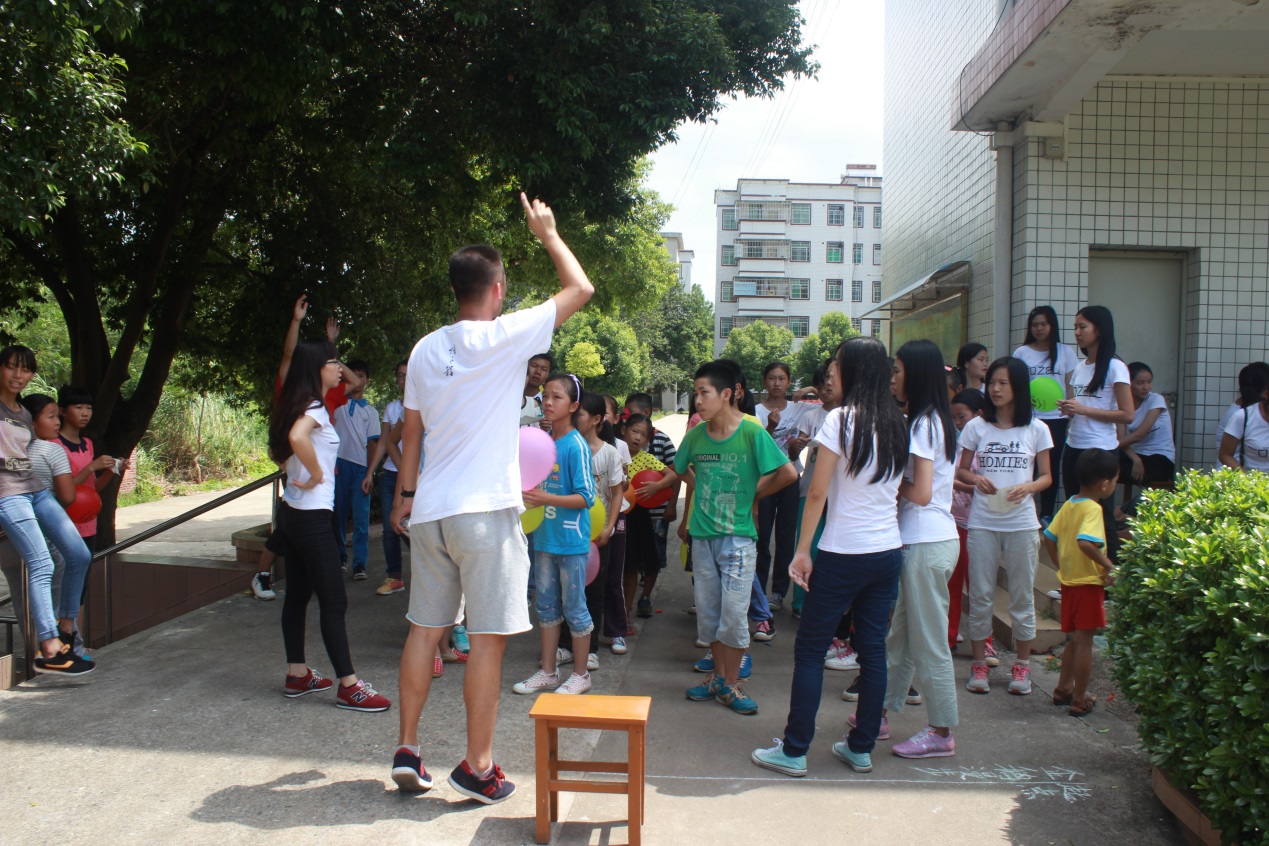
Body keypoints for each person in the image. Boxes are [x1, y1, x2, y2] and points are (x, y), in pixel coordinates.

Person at [388, 193, 593, 803]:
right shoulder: (509, 335)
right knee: (487, 639)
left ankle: (407, 747)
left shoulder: (426, 348)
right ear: (498, 287)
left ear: (456, 289)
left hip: (430, 512)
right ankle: (477, 764)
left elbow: (413, 432)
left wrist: (404, 494)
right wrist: (549, 234)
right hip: (486, 514)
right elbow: (579, 288)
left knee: (424, 631)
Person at [750, 338, 905, 777]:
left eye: (838, 364)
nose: (832, 371)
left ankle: (795, 749)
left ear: (856, 370)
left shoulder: (841, 419)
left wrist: (801, 551)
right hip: (886, 552)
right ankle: (860, 748)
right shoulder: (898, 421)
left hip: (842, 553)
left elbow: (816, 491)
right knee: (872, 650)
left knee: (811, 649)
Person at [268, 339, 389, 712]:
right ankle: (349, 685)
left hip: (293, 511)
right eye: (333, 362)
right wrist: (319, 471)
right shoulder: (316, 409)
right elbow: (296, 439)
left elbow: (286, 445)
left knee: (299, 596)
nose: (339, 368)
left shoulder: (296, 405)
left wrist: (306, 471)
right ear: (316, 368)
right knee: (334, 601)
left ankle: (297, 673)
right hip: (311, 517)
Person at [678, 360, 795, 717]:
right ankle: (718, 679)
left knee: (733, 614)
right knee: (710, 614)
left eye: (704, 393)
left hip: (739, 539)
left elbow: (787, 473)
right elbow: (681, 469)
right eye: (695, 392)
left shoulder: (751, 432)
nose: (697, 400)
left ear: (727, 394)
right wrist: (705, 490)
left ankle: (730, 684)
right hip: (702, 537)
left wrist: (753, 495)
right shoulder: (696, 436)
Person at [879, 340, 961, 759]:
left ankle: (941, 731)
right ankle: (880, 711)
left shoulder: (925, 424)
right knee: (902, 638)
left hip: (926, 541)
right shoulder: (930, 420)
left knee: (929, 642)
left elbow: (923, 492)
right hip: (925, 540)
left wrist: (887, 481)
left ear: (917, 374)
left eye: (897, 370)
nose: (892, 378)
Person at [957, 357, 1053, 696]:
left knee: (1022, 597)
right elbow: (961, 472)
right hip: (982, 522)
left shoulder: (1037, 429)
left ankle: (1022, 667)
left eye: (1003, 383)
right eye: (992, 382)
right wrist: (976, 478)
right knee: (980, 595)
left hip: (1022, 524)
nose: (995, 389)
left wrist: (1029, 487)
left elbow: (1046, 477)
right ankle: (980, 664)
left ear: (1019, 388)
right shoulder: (976, 427)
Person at [0, 346, 94, 674]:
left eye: (24, 370)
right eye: (11, 367)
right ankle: (50, 647)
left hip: (34, 490)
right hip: (7, 494)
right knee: (42, 563)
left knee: (79, 554)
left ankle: (66, 627)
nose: (17, 376)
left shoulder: (22, 413)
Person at [513, 374, 598, 695]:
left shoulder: (575, 445)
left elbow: (587, 497)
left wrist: (545, 498)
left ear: (574, 405)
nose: (548, 402)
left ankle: (580, 675)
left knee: (575, 607)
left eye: (557, 397)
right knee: (546, 606)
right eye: (545, 396)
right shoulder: (543, 441)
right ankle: (548, 672)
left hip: (571, 542)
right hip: (544, 539)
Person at [1042, 448, 1117, 717]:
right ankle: (1079, 697)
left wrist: (1060, 564)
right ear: (1106, 483)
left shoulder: (1070, 503)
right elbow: (1086, 542)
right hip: (1087, 583)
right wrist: (1110, 567)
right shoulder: (1093, 509)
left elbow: (1049, 537)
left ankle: (1064, 689)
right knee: (1085, 641)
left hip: (1070, 582)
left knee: (1076, 639)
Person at [1058, 305, 1132, 563]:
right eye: (1075, 327)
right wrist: (1070, 410)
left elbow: (1127, 414)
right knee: (1075, 512)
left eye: (1082, 327)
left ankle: (1108, 578)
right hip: (1074, 445)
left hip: (1101, 450)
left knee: (1102, 515)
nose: (1077, 332)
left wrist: (1083, 409)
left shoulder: (1115, 367)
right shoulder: (1081, 367)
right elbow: (1082, 409)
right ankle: (1074, 573)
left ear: (1099, 330)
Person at [1013, 305, 1080, 522]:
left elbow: (1070, 385)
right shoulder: (1022, 353)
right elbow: (1017, 386)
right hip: (1029, 419)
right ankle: (1023, 511)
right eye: (1034, 325)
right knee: (1026, 464)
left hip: (1057, 420)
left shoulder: (1065, 352)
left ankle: (1047, 513)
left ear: (1052, 325)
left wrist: (1071, 413)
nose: (1039, 328)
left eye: (1043, 324)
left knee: (1050, 465)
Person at [947, 390, 999, 667]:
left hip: (979, 523)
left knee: (979, 586)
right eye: (954, 416)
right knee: (951, 585)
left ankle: (985, 643)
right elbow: (947, 478)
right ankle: (948, 637)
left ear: (979, 415)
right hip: (954, 521)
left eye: (962, 416)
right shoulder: (954, 443)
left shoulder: (991, 443)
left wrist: (963, 483)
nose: (957, 422)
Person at [578, 392, 628, 656]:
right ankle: (566, 646)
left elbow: (617, 491)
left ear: (597, 419)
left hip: (599, 534)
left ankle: (591, 648)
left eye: (581, 414)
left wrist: (608, 527)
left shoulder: (609, 453)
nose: (575, 418)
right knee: (570, 592)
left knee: (595, 591)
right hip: (571, 531)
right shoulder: (569, 447)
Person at [620, 413, 679, 630]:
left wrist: (657, 486)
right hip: (614, 514)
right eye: (634, 431)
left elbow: (671, 475)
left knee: (632, 567)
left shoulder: (646, 458)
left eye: (643, 435)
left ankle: (625, 615)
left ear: (648, 441)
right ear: (623, 430)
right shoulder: (613, 450)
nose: (637, 438)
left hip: (637, 518)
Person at [755, 362, 805, 611]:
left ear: (789, 382)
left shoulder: (800, 408)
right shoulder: (756, 412)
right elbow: (754, 446)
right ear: (764, 382)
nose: (776, 383)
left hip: (791, 479)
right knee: (762, 537)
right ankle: (759, 590)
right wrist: (771, 428)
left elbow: (828, 395)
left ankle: (778, 592)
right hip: (765, 480)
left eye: (782, 378)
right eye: (772, 378)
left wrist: (808, 388)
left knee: (786, 537)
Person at [57, 384, 123, 552]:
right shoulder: (53, 445)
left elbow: (93, 488)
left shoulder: (87, 444)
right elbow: (64, 490)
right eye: (78, 407)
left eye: (89, 408)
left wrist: (112, 469)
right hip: (63, 523)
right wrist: (91, 467)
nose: (85, 413)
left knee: (84, 573)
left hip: (88, 522)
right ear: (62, 411)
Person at [363, 359, 410, 596]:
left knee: (414, 529)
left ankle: (429, 574)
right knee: (390, 529)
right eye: (400, 375)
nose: (404, 380)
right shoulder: (392, 408)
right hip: (392, 475)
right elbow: (385, 442)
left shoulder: (425, 405)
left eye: (407, 375)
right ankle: (395, 577)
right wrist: (371, 471)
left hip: (414, 477)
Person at [332, 359, 380, 580]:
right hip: (338, 466)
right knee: (338, 516)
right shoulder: (337, 402)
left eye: (361, 375)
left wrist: (370, 473)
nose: (358, 379)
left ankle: (359, 564)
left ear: (368, 380)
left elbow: (372, 445)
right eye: (354, 374)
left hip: (361, 468)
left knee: (361, 520)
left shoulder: (371, 412)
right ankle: (340, 558)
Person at [1117, 362, 1175, 507]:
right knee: (1105, 464)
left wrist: (1109, 445)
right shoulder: (1123, 405)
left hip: (1161, 459)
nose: (1146, 387)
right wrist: (1135, 459)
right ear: (1129, 384)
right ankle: (1113, 512)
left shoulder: (1156, 400)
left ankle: (1121, 512)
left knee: (1108, 463)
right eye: (1140, 383)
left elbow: (1138, 436)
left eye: (1149, 382)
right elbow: (1121, 438)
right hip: (1138, 457)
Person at [1219, 361, 1269, 473]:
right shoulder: (1242, 416)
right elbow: (1225, 455)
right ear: (1266, 394)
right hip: (1254, 484)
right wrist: (1248, 480)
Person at [520, 353, 551, 427]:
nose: (538, 372)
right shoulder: (509, 398)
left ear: (547, 374)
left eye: (544, 369)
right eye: (534, 366)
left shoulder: (546, 404)